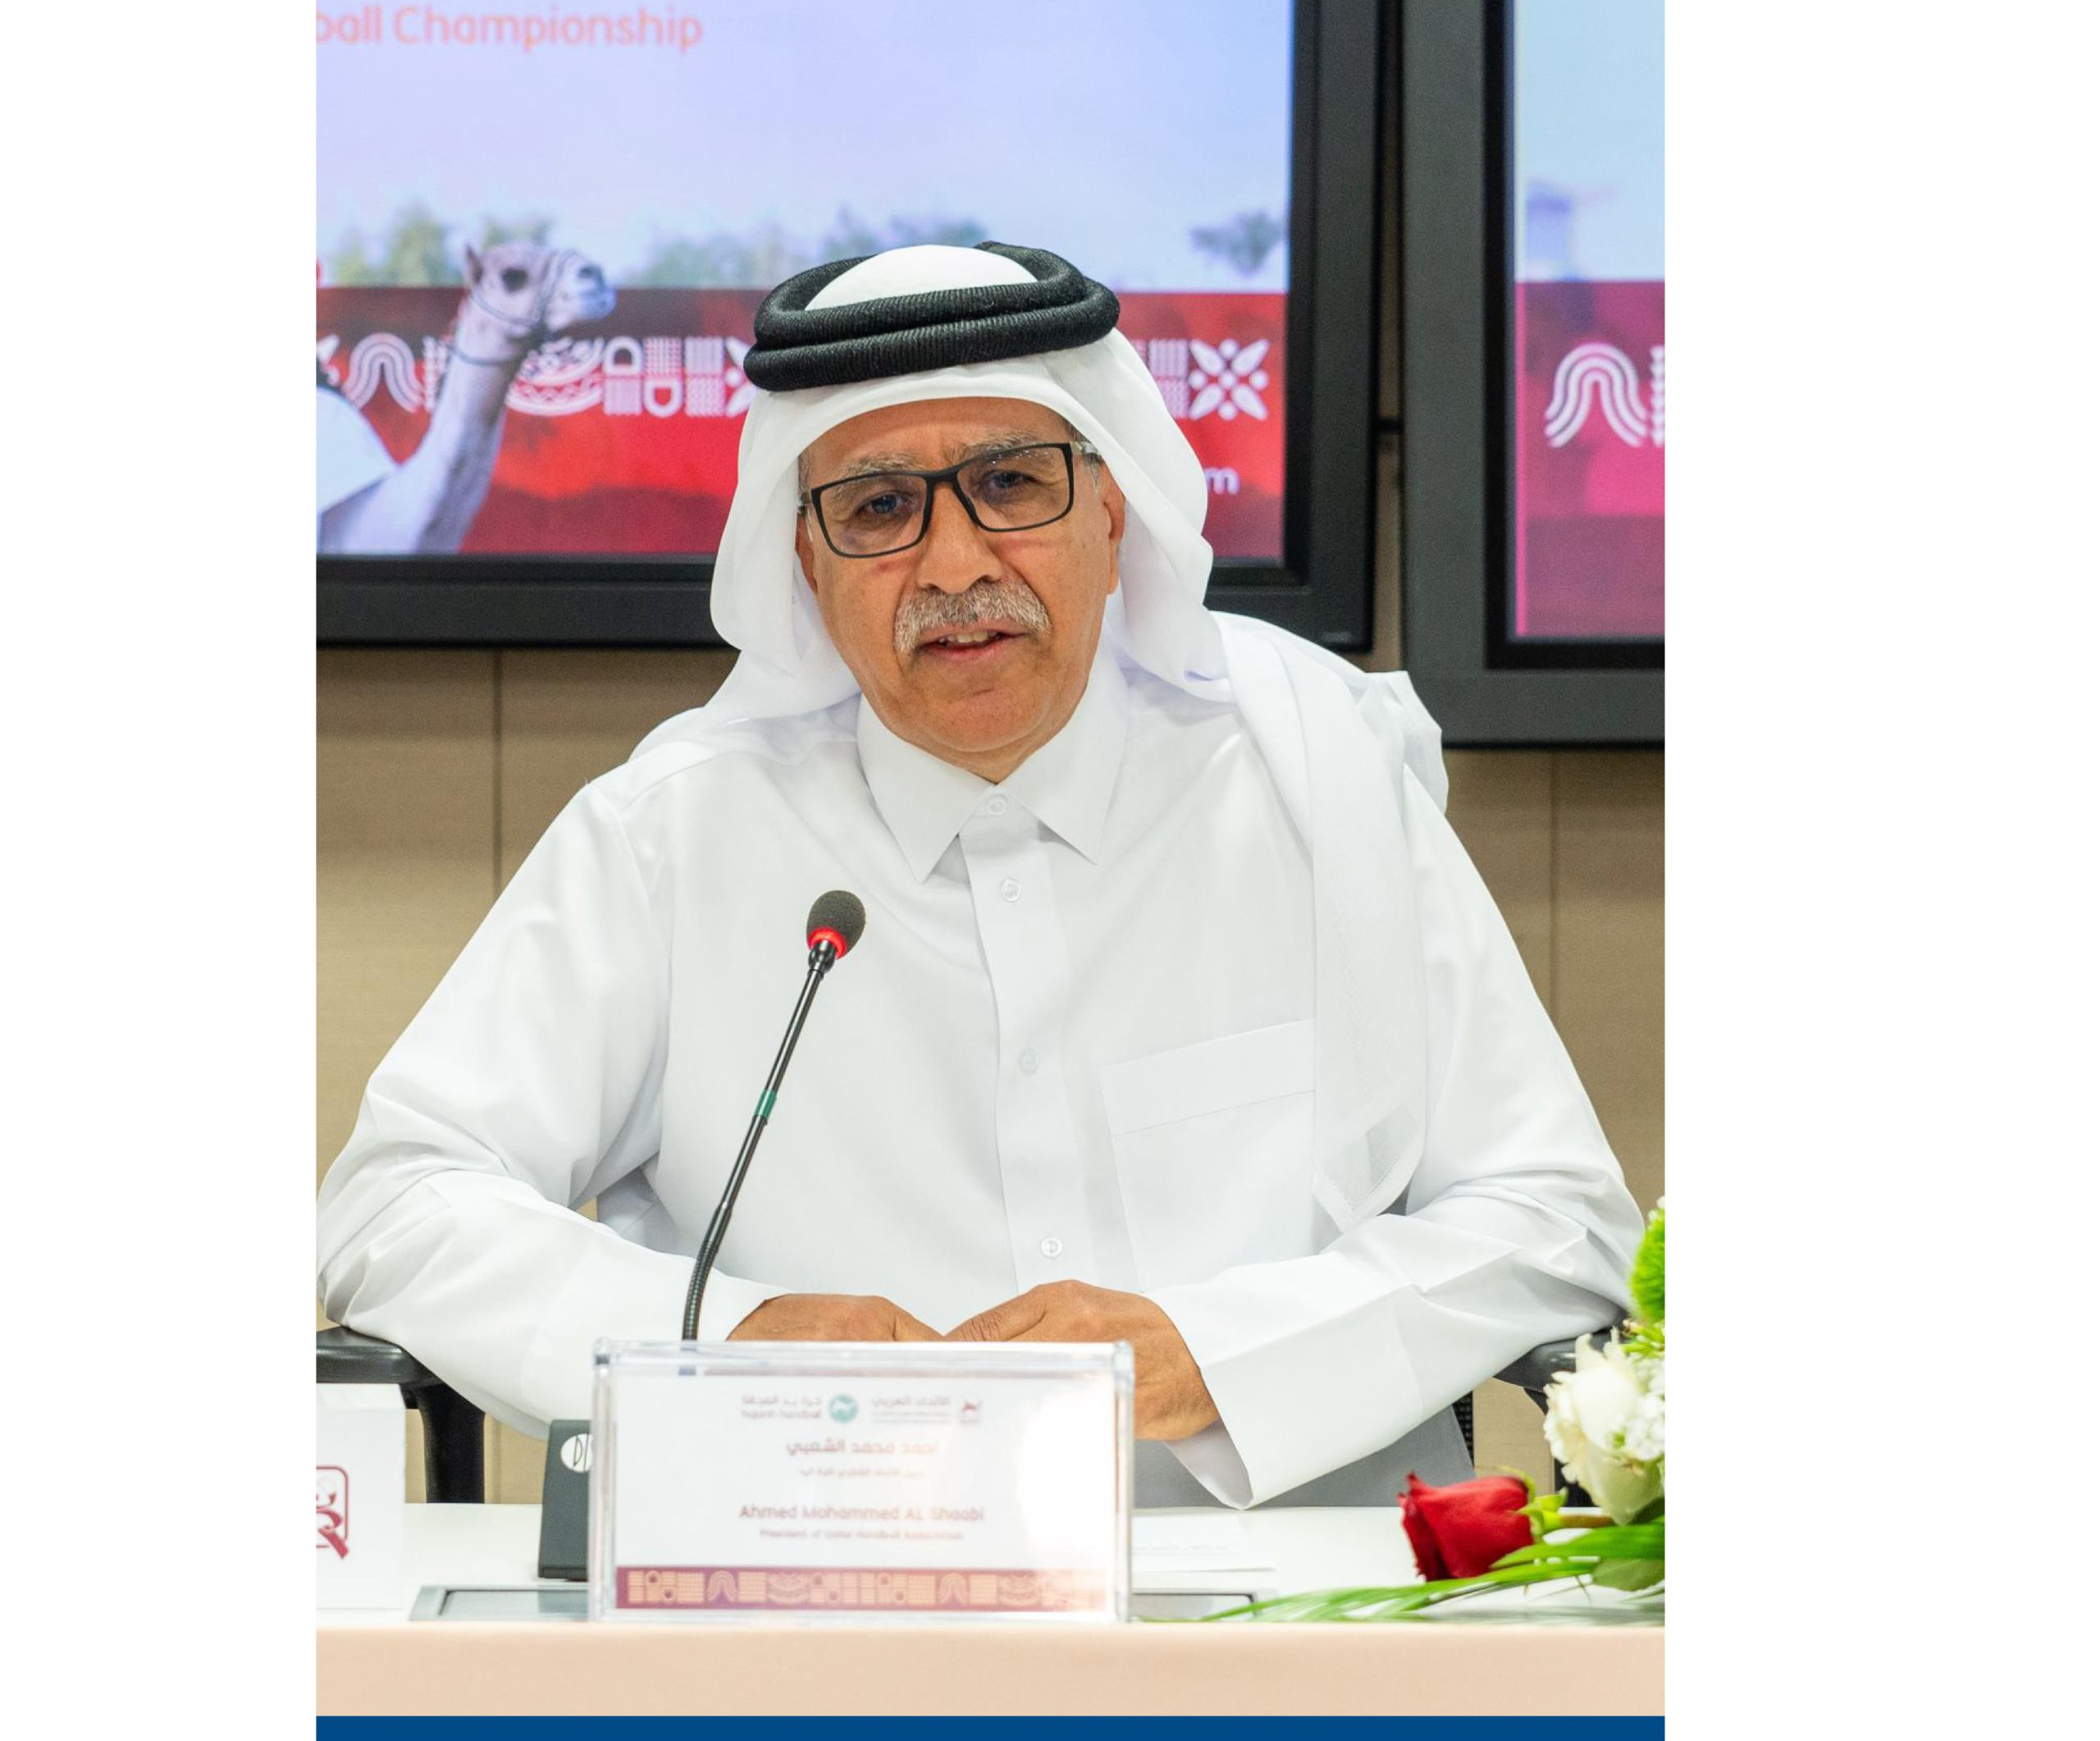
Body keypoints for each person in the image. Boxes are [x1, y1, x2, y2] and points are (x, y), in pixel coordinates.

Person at [318, 241, 1643, 1507]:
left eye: (1012, 485)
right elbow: (398, 1206)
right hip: (814, 1587)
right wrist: (730, 1343)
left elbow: (1554, 1219)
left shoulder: (1315, 778)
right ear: (806, 562)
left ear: (1113, 509)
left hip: (1279, 1594)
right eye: (879, 508)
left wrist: (1220, 1354)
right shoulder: (677, 835)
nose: (954, 565)